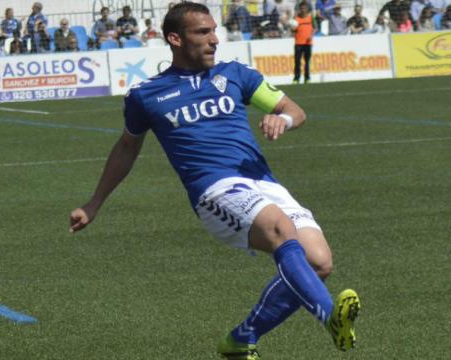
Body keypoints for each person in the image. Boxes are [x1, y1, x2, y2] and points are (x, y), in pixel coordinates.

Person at [69, 3, 360, 359]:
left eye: (213, 31)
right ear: (175, 39)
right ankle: (330, 316)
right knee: (281, 229)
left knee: (319, 262)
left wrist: (280, 121)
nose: (214, 40)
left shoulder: (237, 74)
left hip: (262, 182)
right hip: (214, 190)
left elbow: (293, 110)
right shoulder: (146, 95)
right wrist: (94, 203)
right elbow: (127, 147)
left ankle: (240, 339)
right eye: (202, 33)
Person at [293, 2, 314, 85]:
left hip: (308, 43)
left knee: (307, 61)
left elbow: (315, 28)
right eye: (301, 8)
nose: (303, 9)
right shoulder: (296, 18)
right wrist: (292, 27)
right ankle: (296, 78)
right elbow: (293, 30)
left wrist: (311, 35)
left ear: (307, 9)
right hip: (298, 42)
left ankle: (307, 78)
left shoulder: (311, 18)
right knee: (297, 61)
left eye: (304, 8)